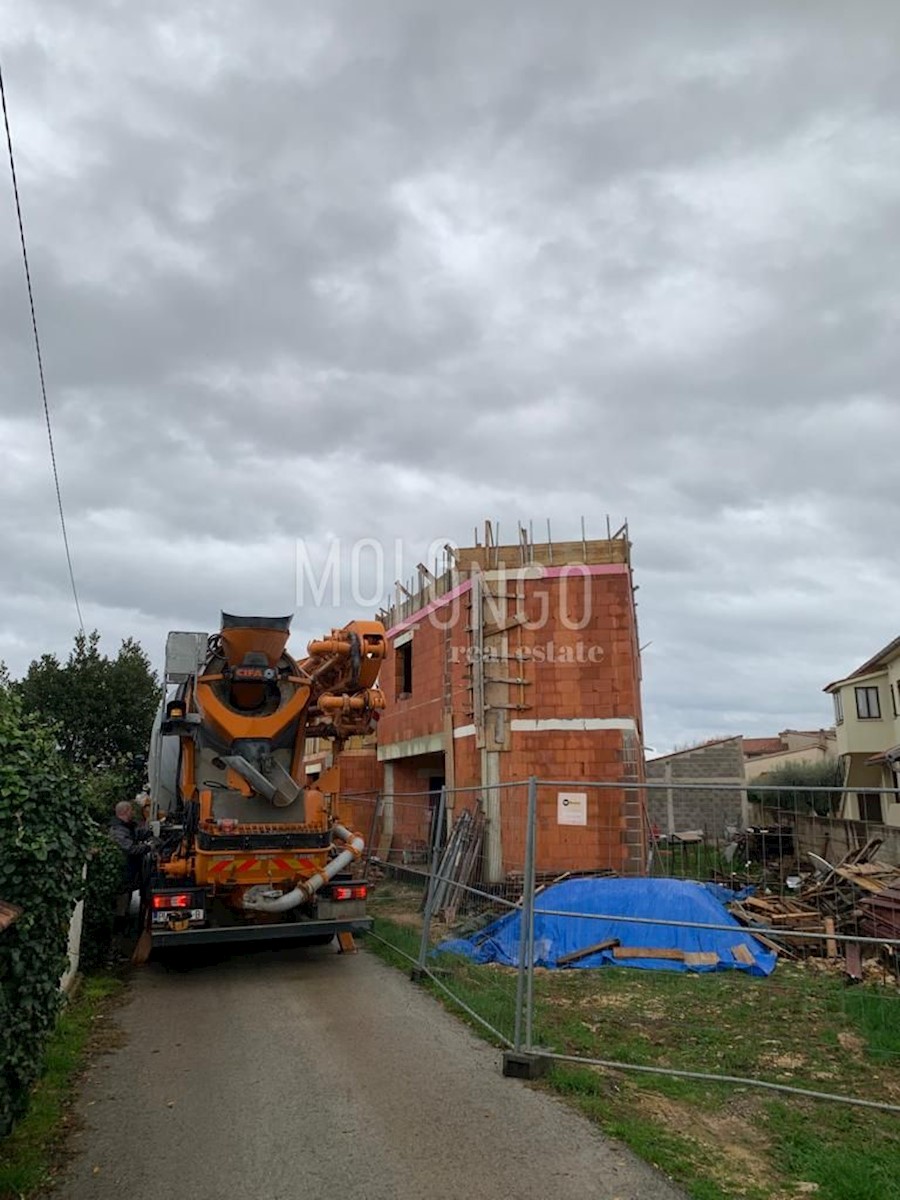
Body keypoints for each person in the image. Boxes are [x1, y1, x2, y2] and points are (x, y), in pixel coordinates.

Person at [109, 800, 152, 936]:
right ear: (126, 812)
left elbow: (136, 833)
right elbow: (130, 849)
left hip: (127, 875)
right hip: (123, 877)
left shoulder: (125, 827)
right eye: (131, 810)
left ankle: (122, 932)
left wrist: (150, 832)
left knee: (125, 903)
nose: (133, 813)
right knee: (121, 907)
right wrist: (148, 847)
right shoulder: (118, 831)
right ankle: (118, 935)